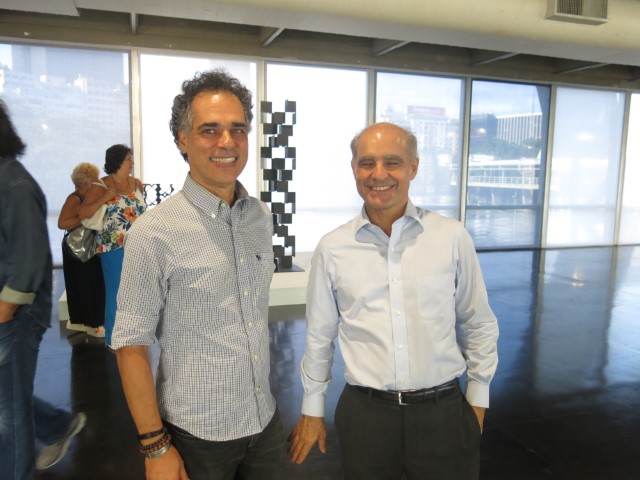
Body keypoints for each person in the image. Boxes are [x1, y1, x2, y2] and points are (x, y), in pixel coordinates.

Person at [288, 122, 499, 479]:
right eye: (366, 163)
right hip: (366, 417)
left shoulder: (450, 236)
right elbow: (319, 336)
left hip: (443, 415)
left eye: (392, 162)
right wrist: (312, 408)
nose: (378, 174)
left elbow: (477, 321)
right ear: (354, 169)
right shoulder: (333, 247)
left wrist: (477, 399)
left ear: (413, 167)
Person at [112, 68, 285, 480]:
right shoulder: (154, 232)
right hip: (198, 434)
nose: (227, 142)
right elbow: (131, 345)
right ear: (183, 140)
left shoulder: (259, 217)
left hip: (264, 420)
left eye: (237, 129)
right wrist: (154, 446)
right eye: (210, 130)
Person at [0, 100, 86, 478]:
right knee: (8, 397)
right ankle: (56, 425)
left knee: (8, 411)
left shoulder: (15, 184)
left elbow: (28, 260)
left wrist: (5, 311)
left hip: (15, 316)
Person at [80, 144, 146, 347]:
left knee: (137, 292)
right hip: (112, 247)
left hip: (138, 246)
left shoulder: (135, 183)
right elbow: (84, 213)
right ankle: (113, 339)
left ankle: (133, 336)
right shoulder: (101, 185)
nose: (132, 162)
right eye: (128, 159)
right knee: (116, 292)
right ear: (117, 161)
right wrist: (105, 197)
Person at [58, 162, 107, 337]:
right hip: (77, 248)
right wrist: (85, 219)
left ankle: (88, 322)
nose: (98, 181)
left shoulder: (88, 198)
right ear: (86, 181)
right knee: (85, 285)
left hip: (88, 247)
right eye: (94, 178)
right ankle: (90, 323)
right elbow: (62, 223)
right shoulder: (75, 198)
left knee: (91, 284)